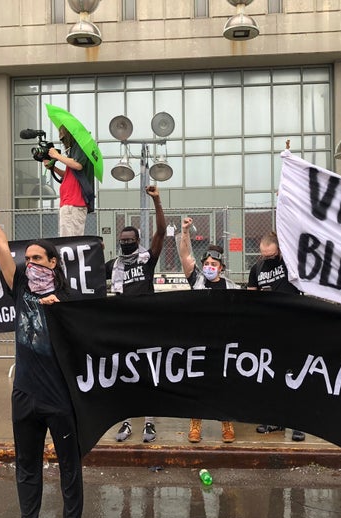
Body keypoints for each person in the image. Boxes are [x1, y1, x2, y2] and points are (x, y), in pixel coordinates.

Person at [0, 180, 83, 518]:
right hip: (24, 395)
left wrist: (61, 312)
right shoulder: (19, 286)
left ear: (53, 262)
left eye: (38, 258)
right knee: (26, 466)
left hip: (60, 398)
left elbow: (90, 341)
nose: (30, 262)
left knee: (69, 469)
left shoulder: (71, 299)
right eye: (28, 258)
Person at [106, 185, 166, 444]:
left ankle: (150, 423)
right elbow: (85, 276)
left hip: (147, 324)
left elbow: (162, 232)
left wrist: (157, 201)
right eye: (123, 240)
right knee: (126, 374)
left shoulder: (147, 259)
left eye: (130, 240)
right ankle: (127, 422)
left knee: (149, 373)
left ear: (138, 241)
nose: (126, 243)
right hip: (122, 327)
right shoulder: (114, 265)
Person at [177, 217, 238, 443]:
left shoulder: (232, 287)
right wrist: (185, 232)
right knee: (198, 382)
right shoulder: (197, 280)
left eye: (214, 265)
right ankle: (195, 424)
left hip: (224, 342)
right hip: (199, 340)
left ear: (221, 267)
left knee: (224, 382)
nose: (210, 267)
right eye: (207, 264)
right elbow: (185, 256)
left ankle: (226, 424)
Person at [247, 231, 306, 442]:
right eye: (264, 255)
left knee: (293, 374)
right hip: (268, 328)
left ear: (280, 250)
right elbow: (250, 298)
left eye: (271, 255)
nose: (267, 258)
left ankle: (298, 424)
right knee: (271, 374)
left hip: (292, 326)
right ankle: (274, 419)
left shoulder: (290, 262)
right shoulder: (257, 268)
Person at [44, 125, 95, 237]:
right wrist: (53, 168)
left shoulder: (81, 146)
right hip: (69, 203)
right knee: (67, 239)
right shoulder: (74, 152)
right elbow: (68, 175)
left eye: (63, 137)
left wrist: (57, 156)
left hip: (74, 203)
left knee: (70, 241)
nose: (62, 141)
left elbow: (78, 165)